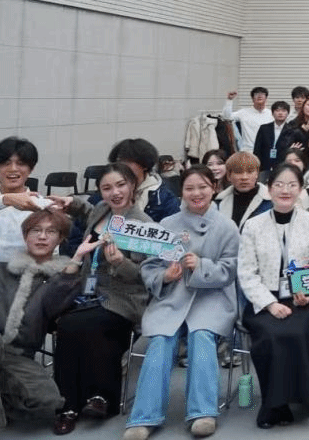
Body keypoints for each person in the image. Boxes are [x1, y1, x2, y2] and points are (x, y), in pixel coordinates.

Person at [123, 166, 239, 440]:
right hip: (173, 297)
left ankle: (203, 412)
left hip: (212, 298)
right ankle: (144, 417)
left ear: (214, 188)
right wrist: (165, 276)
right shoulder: (167, 224)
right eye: (189, 188)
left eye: (202, 187)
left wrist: (202, 266)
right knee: (161, 340)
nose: (196, 193)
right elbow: (150, 267)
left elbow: (231, 270)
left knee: (201, 336)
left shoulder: (227, 226)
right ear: (182, 192)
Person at [46, 164, 150, 434]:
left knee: (74, 324)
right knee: (80, 326)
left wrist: (120, 263)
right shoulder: (103, 210)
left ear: (132, 186)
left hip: (124, 299)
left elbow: (147, 276)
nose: (115, 192)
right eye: (107, 188)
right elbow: (87, 211)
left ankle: (71, 404)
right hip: (89, 294)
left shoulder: (142, 225)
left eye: (121, 185)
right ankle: (95, 398)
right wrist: (70, 203)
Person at [237, 164, 309, 429]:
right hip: (265, 298)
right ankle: (274, 404)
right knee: (271, 335)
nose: (285, 190)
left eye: (291, 185)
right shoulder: (253, 225)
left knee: (298, 331)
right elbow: (247, 272)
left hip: (303, 298)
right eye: (278, 184)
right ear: (269, 189)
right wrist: (270, 304)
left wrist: (308, 292)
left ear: (300, 190)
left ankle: (300, 398)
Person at [0, 209, 71, 430]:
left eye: (51, 231)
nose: (42, 237)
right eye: (36, 230)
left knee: (48, 400)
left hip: (18, 355)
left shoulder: (63, 278)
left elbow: (57, 305)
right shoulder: (2, 270)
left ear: (60, 239)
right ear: (25, 236)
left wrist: (71, 270)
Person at [214, 151, 272, 229]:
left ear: (257, 174)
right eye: (238, 172)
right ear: (229, 175)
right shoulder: (218, 203)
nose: (244, 177)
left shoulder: (271, 202)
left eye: (250, 172)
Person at [222, 88, 272, 153]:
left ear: (266, 98)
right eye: (256, 94)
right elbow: (226, 117)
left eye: (262, 94)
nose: (259, 96)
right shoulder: (243, 113)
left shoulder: (272, 114)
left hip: (266, 150)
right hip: (248, 151)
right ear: (253, 99)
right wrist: (229, 100)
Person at [251, 101, 290, 174]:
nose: (280, 113)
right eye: (277, 110)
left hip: (283, 168)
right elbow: (257, 149)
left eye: (283, 111)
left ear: (288, 113)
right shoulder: (264, 128)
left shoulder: (292, 130)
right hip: (264, 167)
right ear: (272, 113)